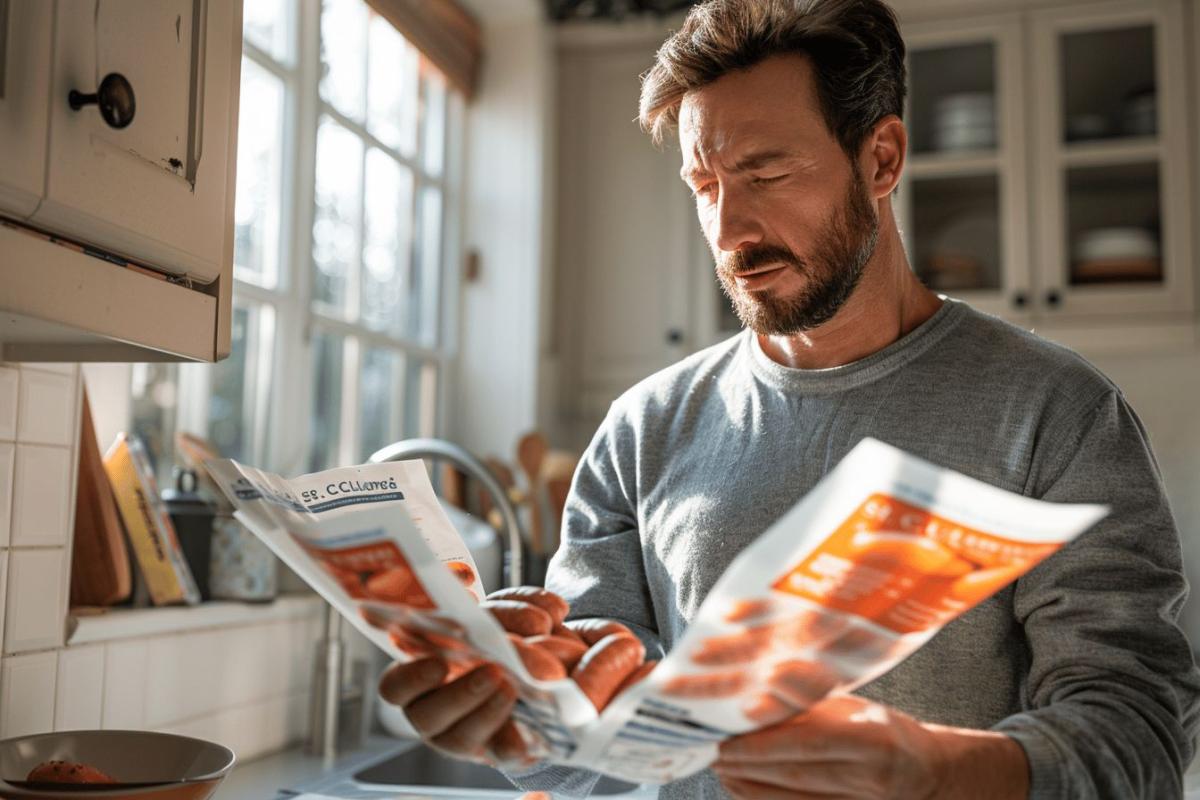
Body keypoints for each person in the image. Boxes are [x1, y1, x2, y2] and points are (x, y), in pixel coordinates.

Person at [379, 0, 1200, 797]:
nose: (731, 230)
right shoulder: (643, 429)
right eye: (704, 185)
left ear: (881, 160)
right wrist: (515, 721)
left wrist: (934, 774)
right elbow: (592, 755)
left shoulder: (1058, 412)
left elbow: (1140, 733)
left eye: (765, 172)